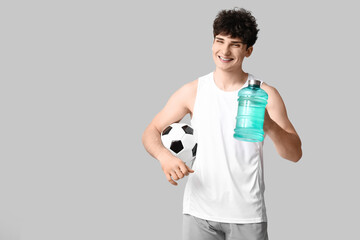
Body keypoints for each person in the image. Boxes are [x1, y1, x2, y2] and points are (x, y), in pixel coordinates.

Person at [142, 7, 302, 240]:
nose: (225, 50)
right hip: (198, 212)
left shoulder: (266, 94)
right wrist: (165, 157)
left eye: (235, 44)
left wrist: (269, 124)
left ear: (248, 50)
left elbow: (295, 154)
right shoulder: (192, 91)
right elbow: (151, 131)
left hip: (247, 215)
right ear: (212, 43)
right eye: (220, 41)